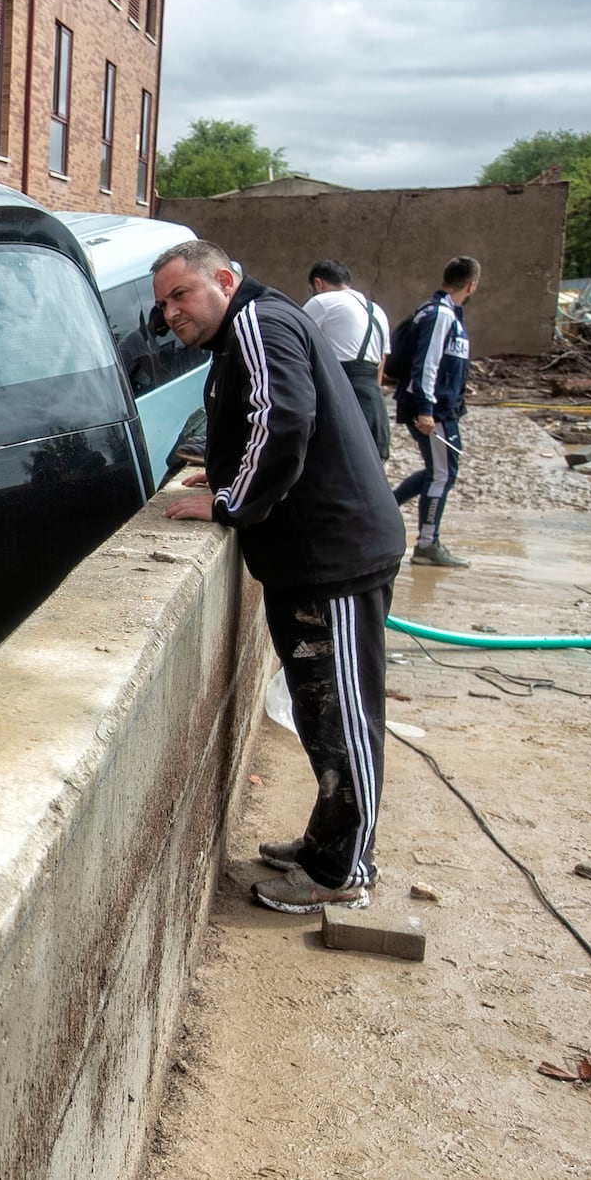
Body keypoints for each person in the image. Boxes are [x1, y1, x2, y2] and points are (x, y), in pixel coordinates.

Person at [153, 240, 405, 914]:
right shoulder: (243, 334)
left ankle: (343, 869)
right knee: (321, 711)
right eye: (164, 303)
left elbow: (284, 416)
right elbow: (262, 419)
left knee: (345, 715)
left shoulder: (257, 322)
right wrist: (230, 467)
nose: (172, 312)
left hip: (337, 557)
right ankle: (327, 843)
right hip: (310, 558)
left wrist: (232, 501)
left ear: (225, 280)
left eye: (181, 294)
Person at [393, 257, 479, 568]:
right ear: (471, 285)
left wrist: (459, 388)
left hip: (443, 405)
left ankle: (384, 509)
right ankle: (427, 544)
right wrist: (427, 408)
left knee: (438, 471)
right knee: (443, 474)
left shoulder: (443, 312)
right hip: (434, 411)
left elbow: (444, 362)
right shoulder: (439, 314)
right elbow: (426, 363)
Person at [302, 260, 392, 460]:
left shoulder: (322, 302)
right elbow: (381, 361)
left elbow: (296, 340)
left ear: (318, 283)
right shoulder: (377, 310)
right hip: (373, 402)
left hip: (339, 394)